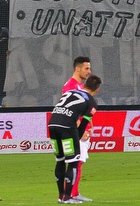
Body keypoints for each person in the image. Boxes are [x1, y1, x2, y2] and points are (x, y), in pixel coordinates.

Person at [49, 74, 101, 205]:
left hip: (52, 124)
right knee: (73, 161)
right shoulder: (92, 103)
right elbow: (83, 124)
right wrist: (76, 138)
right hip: (67, 126)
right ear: (97, 89)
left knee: (60, 161)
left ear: (84, 85)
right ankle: (68, 197)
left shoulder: (71, 91)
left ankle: (61, 196)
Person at [64, 56, 94, 203]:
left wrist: (90, 125)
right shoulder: (70, 86)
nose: (89, 71)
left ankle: (74, 193)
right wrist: (80, 130)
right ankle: (68, 195)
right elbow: (70, 111)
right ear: (78, 68)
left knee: (79, 162)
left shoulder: (80, 87)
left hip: (83, 130)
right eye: (86, 68)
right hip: (76, 131)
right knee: (74, 162)